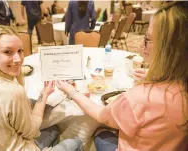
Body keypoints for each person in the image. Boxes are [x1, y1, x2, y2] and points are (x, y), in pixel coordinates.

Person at [56, 1, 188, 150]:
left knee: (100, 130)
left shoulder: (139, 98)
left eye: (147, 39)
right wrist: (159, 76)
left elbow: (101, 115)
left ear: (168, 49)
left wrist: (71, 91)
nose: (140, 46)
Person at [0, 24, 83, 151]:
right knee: (76, 141)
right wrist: (43, 96)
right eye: (7, 52)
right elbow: (32, 132)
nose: (18, 59)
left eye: (20, 51)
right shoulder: (12, 91)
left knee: (53, 129)